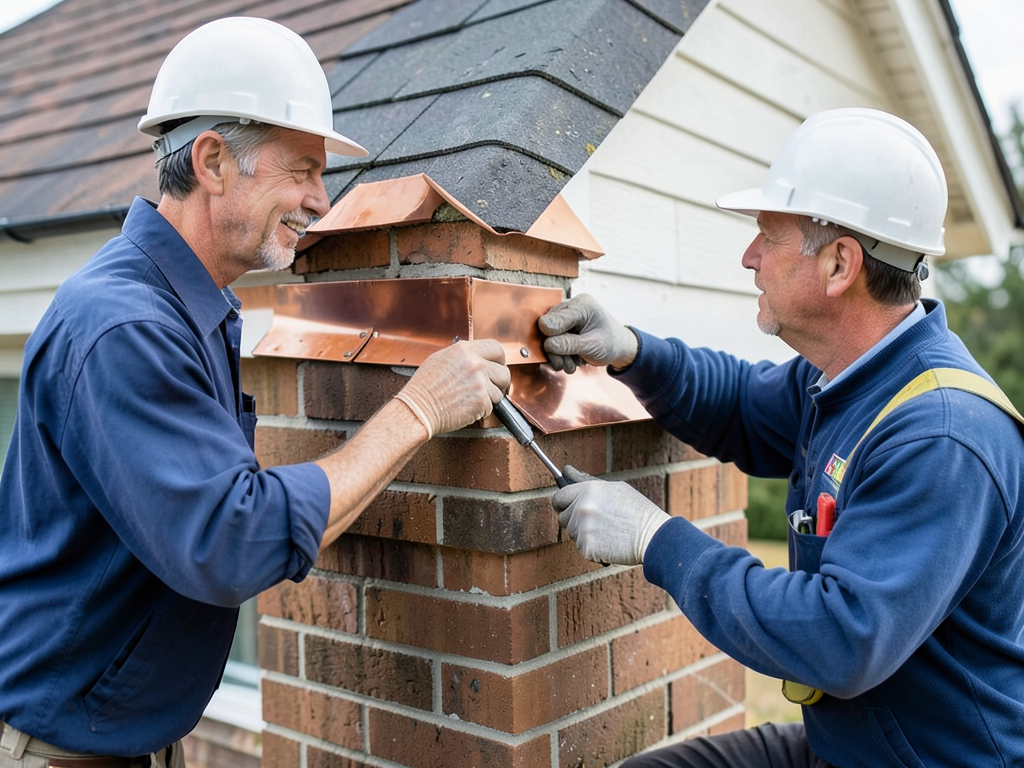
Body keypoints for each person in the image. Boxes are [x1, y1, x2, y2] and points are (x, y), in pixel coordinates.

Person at [0, 17, 509, 767]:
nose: (320, 200)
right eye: (301, 169)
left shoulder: (191, 309)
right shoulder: (123, 326)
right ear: (211, 160)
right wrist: (421, 408)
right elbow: (231, 542)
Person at [540, 108, 1024, 767]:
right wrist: (630, 351)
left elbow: (839, 639)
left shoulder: (940, 437)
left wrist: (657, 540)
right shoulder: (848, 380)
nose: (749, 256)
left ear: (838, 264)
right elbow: (740, 403)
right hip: (851, 748)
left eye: (767, 235)